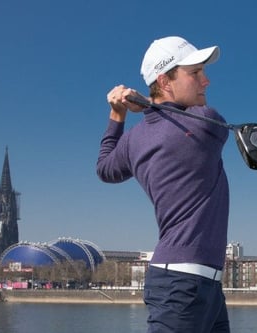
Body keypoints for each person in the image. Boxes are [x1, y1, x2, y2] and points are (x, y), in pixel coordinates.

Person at [97, 36, 230, 332]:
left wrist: (117, 115)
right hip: (183, 284)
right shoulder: (204, 122)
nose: (206, 81)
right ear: (164, 80)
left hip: (199, 285)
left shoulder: (134, 140)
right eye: (194, 73)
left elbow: (105, 168)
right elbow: (181, 123)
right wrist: (146, 107)